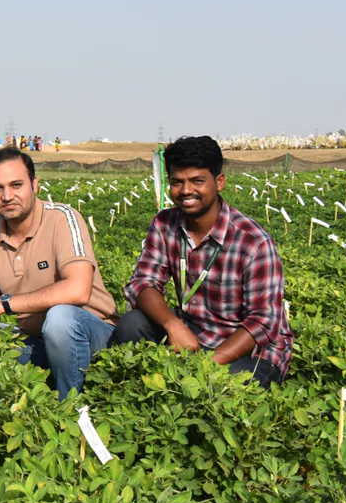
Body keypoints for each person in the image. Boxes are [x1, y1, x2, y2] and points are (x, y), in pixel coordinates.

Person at [0, 147, 117, 397]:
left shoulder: (62, 218)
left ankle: (68, 408)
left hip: (93, 337)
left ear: (34, 184)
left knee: (60, 319)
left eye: (16, 185)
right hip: (36, 340)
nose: (7, 196)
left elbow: (78, 289)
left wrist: (5, 306)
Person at [112, 136, 292, 386]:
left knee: (227, 386)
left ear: (219, 182)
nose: (186, 191)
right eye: (177, 182)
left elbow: (262, 322)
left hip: (248, 347)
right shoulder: (165, 224)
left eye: (197, 181)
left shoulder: (253, 242)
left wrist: (204, 367)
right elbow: (143, 282)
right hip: (191, 331)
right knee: (132, 323)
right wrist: (172, 324)